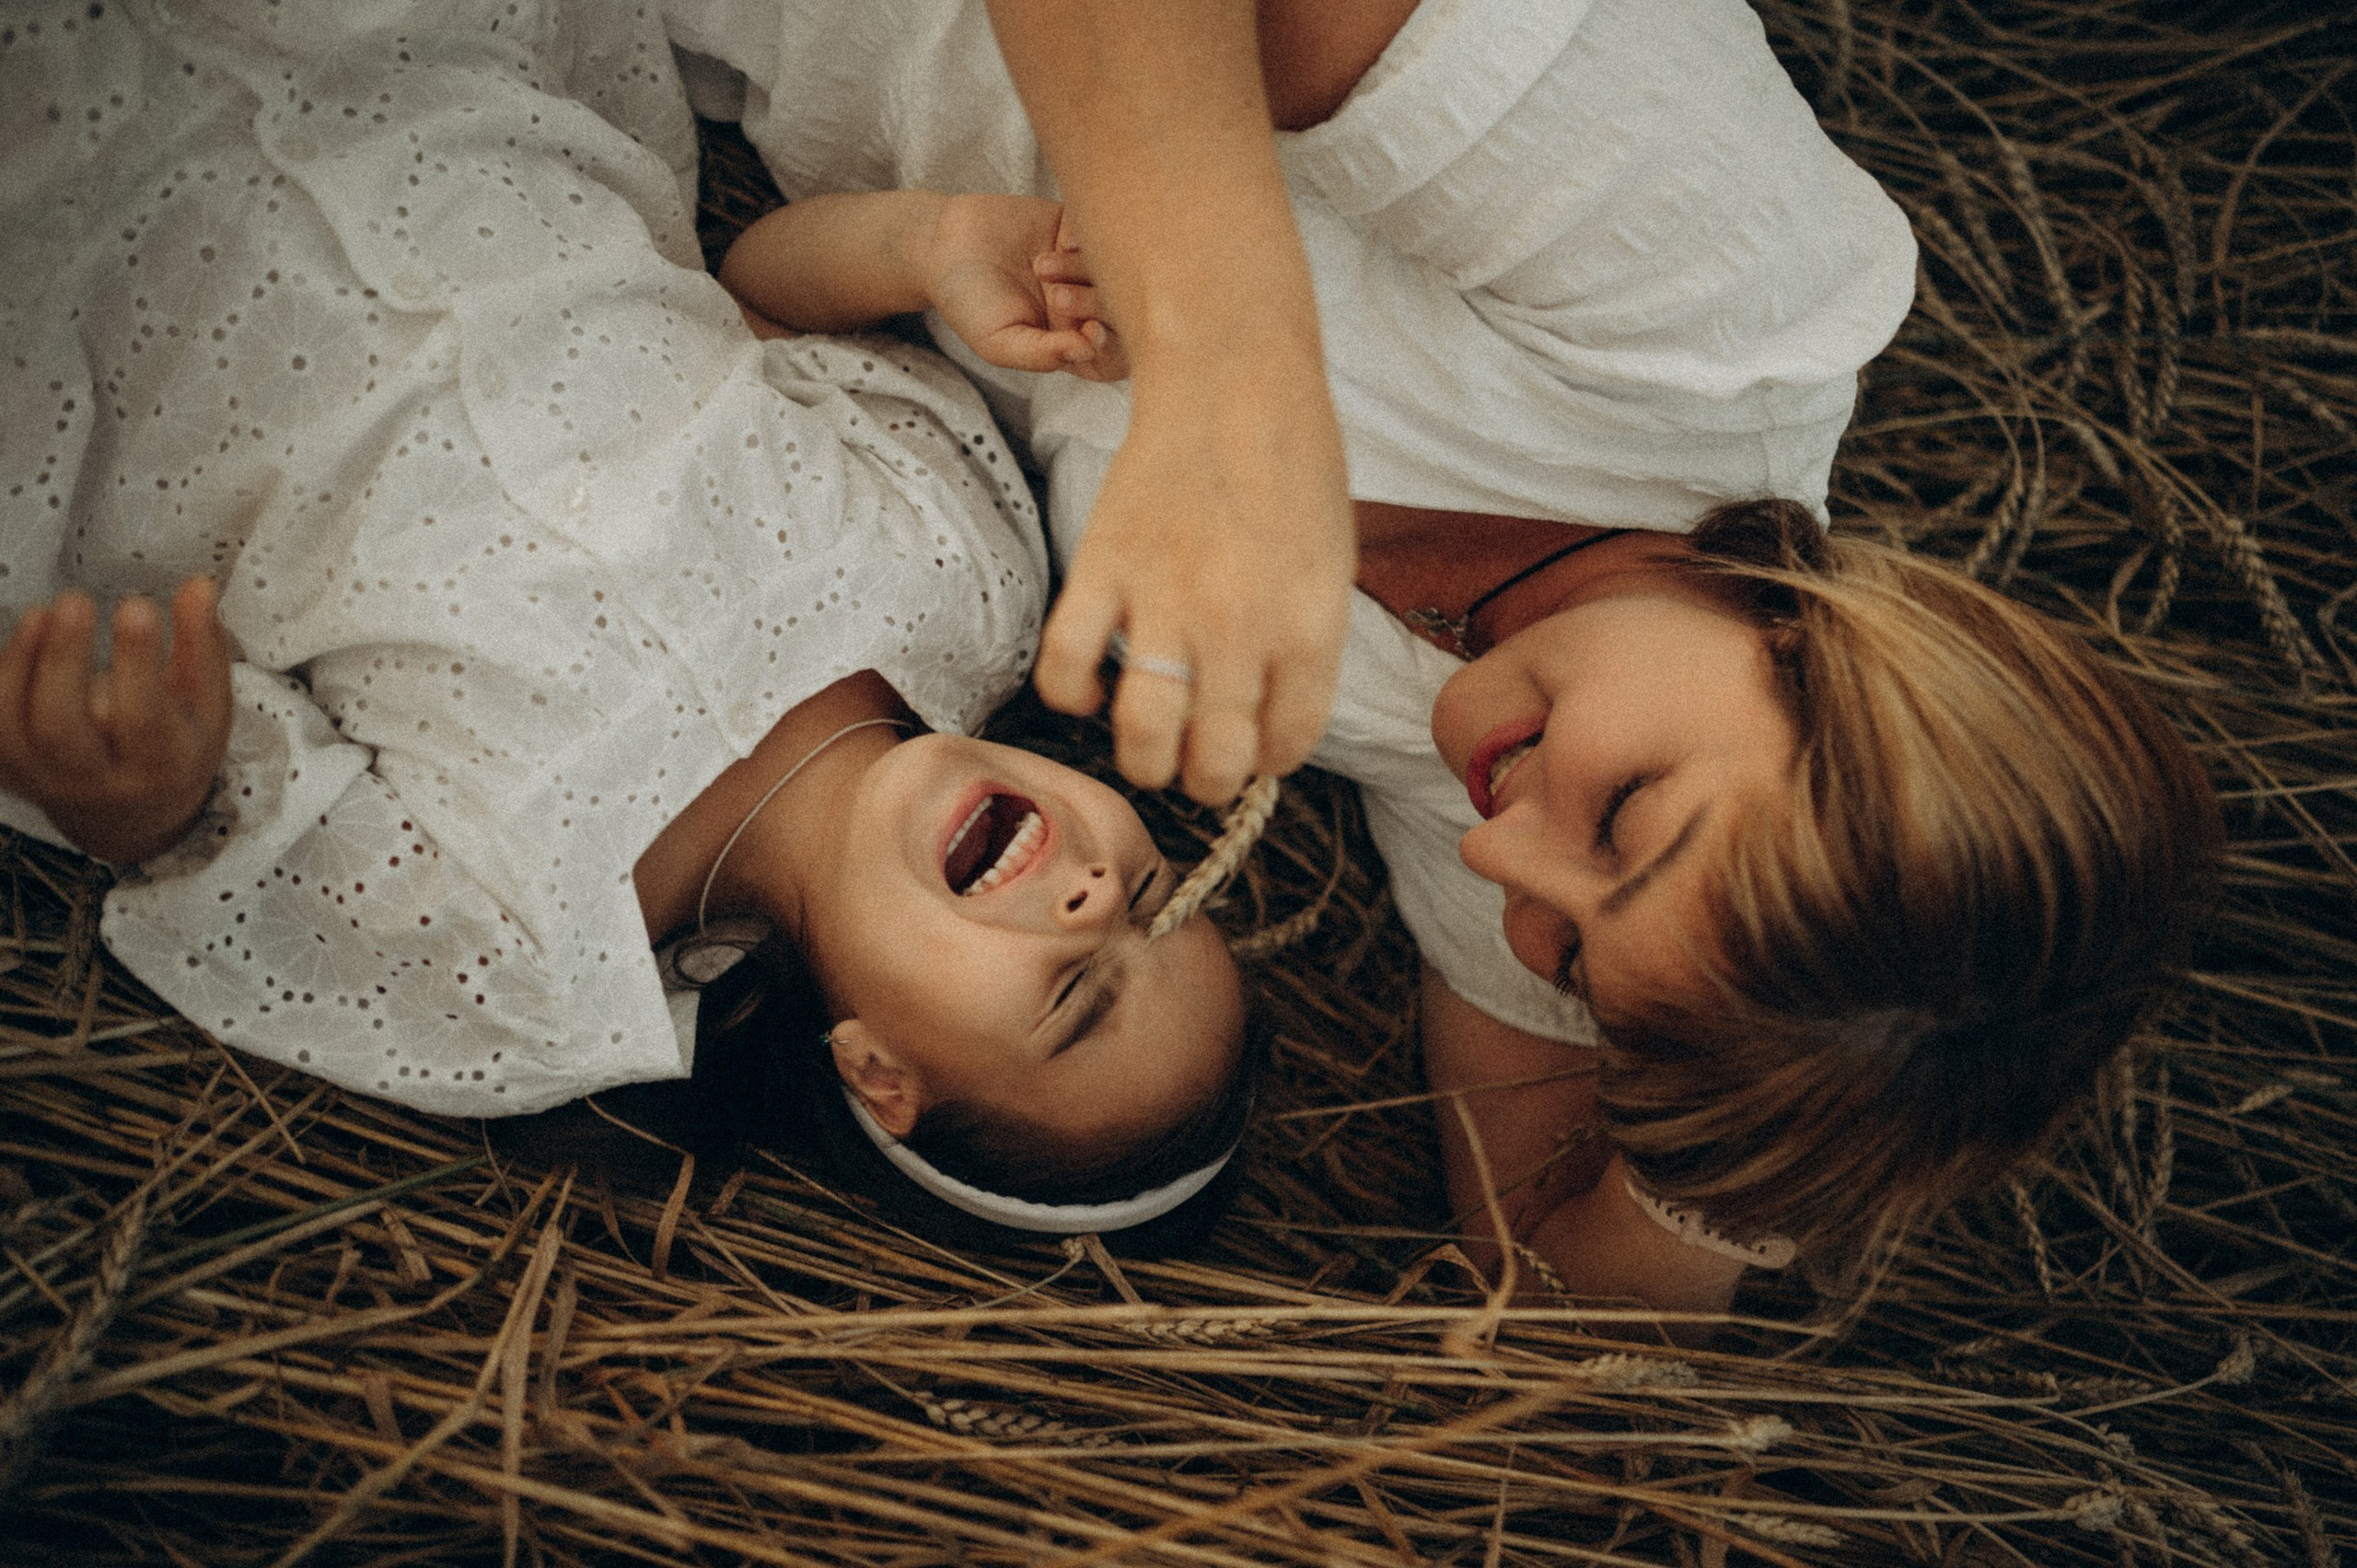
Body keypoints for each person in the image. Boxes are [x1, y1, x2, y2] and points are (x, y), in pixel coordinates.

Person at [670, 0, 2222, 1306]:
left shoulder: (1496, 767)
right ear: (1824, 649)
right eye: (1631, 816)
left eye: (1566, 956)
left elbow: (1541, 1292)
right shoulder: (1719, 303)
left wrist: (1752, 1171)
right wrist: (1228, 382)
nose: (1500, 858)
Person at [0, 0, 1254, 1242]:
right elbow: (749, 300)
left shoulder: (533, 967)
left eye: (1075, 996)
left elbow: (224, 846)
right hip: (427, 93)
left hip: (121, 290)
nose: (1097, 895)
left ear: (879, 1073)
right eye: (1153, 889)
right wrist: (929, 245)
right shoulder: (972, 578)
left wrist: (132, 792)